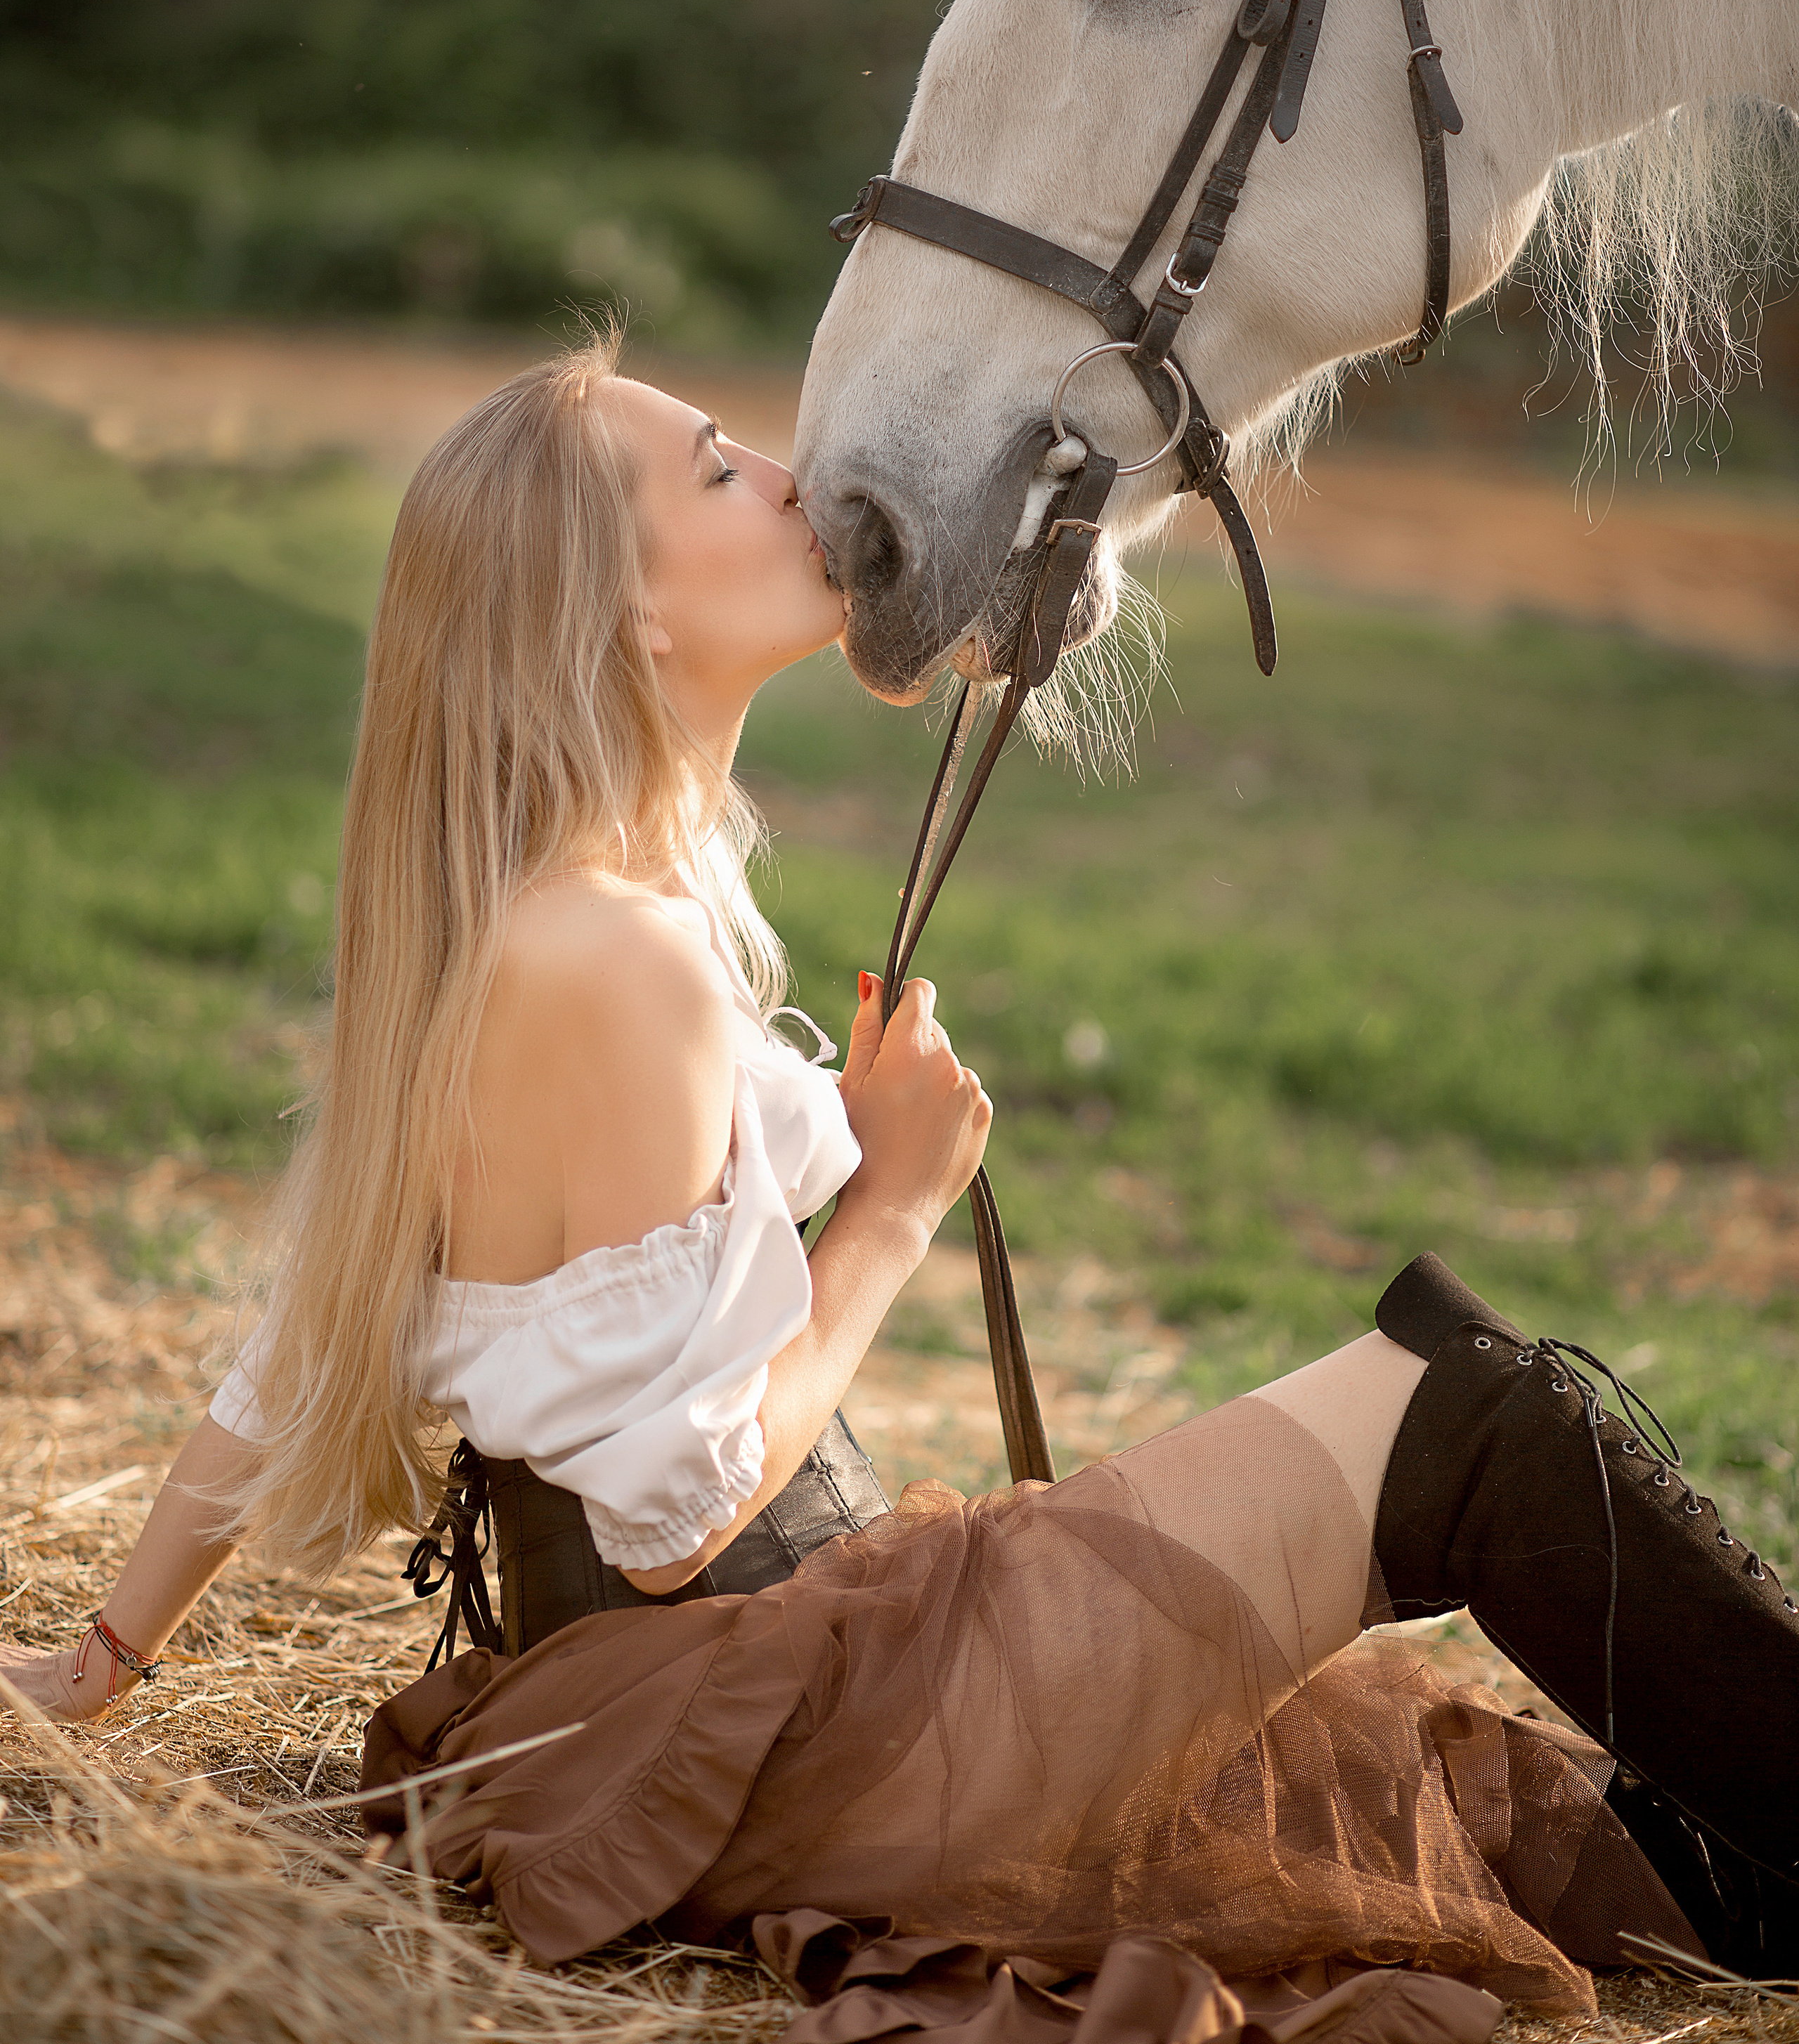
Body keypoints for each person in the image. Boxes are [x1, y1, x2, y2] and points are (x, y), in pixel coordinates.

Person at [4, 339, 1793, 2044]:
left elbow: (294, 1355)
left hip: (734, 1701)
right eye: (718, 468)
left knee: (1464, 1800)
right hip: (795, 1717)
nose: (789, 476)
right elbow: (678, 1514)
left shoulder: (559, 910)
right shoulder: (608, 958)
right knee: (1466, 1410)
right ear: (621, 608)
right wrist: (895, 1208)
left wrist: (98, 1657)